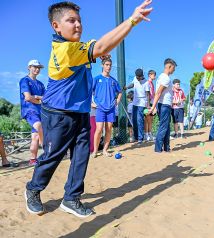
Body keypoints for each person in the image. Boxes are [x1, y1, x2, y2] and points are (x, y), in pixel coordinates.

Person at [25, 0, 153, 218]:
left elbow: (98, 47)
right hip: (58, 113)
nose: (77, 25)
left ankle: (71, 198)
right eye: (71, 20)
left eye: (79, 21)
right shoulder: (65, 50)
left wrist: (101, 51)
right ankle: (33, 189)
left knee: (81, 156)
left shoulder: (77, 47)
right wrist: (132, 20)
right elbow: (101, 46)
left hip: (81, 111)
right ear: (56, 26)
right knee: (53, 156)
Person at [93, 58, 122, 157]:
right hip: (100, 108)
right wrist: (91, 104)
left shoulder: (113, 80)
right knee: (99, 129)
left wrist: (117, 101)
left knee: (109, 129)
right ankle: (95, 151)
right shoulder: (96, 79)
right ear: (102, 65)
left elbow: (120, 92)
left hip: (111, 109)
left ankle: (105, 150)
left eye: (110, 65)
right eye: (107, 65)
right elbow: (88, 93)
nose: (108, 67)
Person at [19, 60, 45, 166]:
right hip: (29, 111)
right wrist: (38, 99)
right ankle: (44, 146)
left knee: (35, 136)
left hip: (41, 111)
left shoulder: (40, 84)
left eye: (39, 67)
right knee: (39, 126)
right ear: (29, 67)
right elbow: (28, 97)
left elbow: (46, 99)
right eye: (35, 67)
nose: (37, 69)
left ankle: (32, 159)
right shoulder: (24, 80)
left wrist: (37, 97)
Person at [148, 58, 177, 153]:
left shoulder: (161, 77)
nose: (174, 70)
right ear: (169, 66)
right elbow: (158, 93)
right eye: (173, 68)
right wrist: (153, 107)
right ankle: (157, 149)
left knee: (167, 126)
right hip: (164, 105)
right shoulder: (166, 78)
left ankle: (166, 148)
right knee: (163, 127)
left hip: (164, 105)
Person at [124, 69, 150, 144]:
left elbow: (148, 94)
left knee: (140, 120)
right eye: (137, 77)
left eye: (139, 77)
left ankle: (140, 138)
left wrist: (148, 105)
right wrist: (127, 87)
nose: (138, 78)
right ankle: (136, 137)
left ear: (142, 76)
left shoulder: (146, 82)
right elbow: (133, 84)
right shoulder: (135, 78)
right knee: (134, 120)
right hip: (135, 102)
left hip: (142, 102)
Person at [144, 70, 156, 141]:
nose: (154, 76)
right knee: (147, 119)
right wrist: (148, 104)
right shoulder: (147, 83)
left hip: (152, 103)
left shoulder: (152, 83)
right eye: (153, 75)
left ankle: (150, 134)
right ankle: (146, 134)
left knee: (151, 120)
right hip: (147, 103)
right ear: (149, 75)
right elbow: (147, 94)